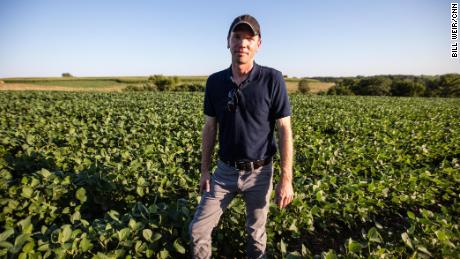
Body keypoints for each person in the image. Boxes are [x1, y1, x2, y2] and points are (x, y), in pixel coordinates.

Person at [189, 14, 294, 259]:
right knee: (197, 229)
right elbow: (209, 128)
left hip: (260, 172)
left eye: (249, 38)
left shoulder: (272, 79)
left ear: (259, 44)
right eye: (237, 37)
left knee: (256, 236)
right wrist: (205, 170)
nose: (242, 44)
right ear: (228, 41)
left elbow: (284, 128)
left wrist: (286, 178)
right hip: (224, 172)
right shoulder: (215, 82)